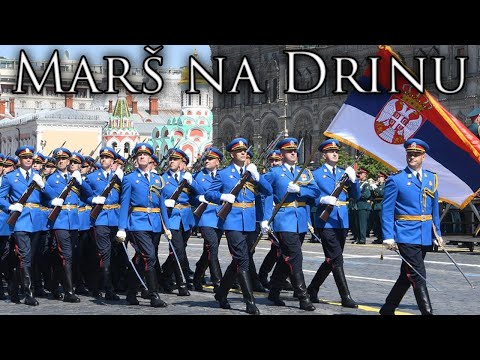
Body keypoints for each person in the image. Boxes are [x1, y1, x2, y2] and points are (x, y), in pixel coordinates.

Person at [205, 138, 272, 315]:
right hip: (232, 220)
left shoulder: (252, 172)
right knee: (242, 259)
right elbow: (210, 193)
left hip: (250, 221)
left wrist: (257, 176)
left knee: (239, 259)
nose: (244, 153)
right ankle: (249, 301)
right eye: (239, 151)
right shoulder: (224, 174)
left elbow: (268, 191)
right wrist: (223, 197)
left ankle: (221, 293)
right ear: (232, 154)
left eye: (245, 150)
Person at [380, 138, 442, 315]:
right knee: (417, 274)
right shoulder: (397, 180)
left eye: (416, 154)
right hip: (405, 233)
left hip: (423, 233)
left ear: (424, 157)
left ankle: (388, 308)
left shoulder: (431, 178)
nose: (412, 157)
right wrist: (388, 235)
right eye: (410, 154)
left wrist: (437, 233)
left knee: (406, 275)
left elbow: (434, 208)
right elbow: (387, 210)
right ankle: (427, 312)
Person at [263, 137, 319, 311]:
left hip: (300, 219)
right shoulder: (274, 173)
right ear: (282, 154)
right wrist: (265, 218)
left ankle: (274, 290)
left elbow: (315, 192)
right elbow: (265, 194)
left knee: (285, 257)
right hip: (283, 218)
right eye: (289, 151)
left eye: (295, 150)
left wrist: (301, 190)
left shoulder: (304, 172)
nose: (293, 153)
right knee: (295, 257)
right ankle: (303, 296)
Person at [307, 139, 360, 308]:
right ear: (324, 155)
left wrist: (355, 181)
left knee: (331, 259)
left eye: (336, 151)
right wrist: (321, 199)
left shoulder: (344, 173)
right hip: (326, 220)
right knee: (337, 259)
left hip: (341, 220)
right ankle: (345, 296)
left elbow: (356, 196)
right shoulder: (315, 174)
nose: (335, 153)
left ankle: (312, 289)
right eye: (331, 151)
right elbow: (311, 196)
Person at [116, 143, 171, 308]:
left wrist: (167, 227)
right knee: (150, 257)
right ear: (135, 159)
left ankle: (131, 292)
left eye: (145, 155)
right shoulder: (130, 178)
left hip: (154, 223)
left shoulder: (157, 179)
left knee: (141, 259)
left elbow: (161, 205)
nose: (142, 157)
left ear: (150, 159)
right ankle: (153, 294)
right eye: (139, 155)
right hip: (137, 222)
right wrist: (121, 228)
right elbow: (124, 203)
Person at [192, 147, 224, 292]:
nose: (206, 161)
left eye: (210, 159)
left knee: (209, 250)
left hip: (219, 215)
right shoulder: (199, 176)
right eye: (205, 159)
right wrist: (198, 197)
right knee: (213, 247)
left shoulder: (223, 175)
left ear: (218, 162)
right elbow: (192, 195)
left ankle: (197, 276)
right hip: (205, 215)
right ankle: (218, 282)